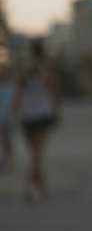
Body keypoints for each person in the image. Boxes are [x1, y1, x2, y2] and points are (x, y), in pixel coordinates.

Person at [14, 39, 60, 203]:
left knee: (35, 156)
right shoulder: (46, 73)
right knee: (36, 156)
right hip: (41, 114)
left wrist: (14, 112)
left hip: (27, 115)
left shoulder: (24, 72)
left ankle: (40, 190)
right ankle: (32, 189)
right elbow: (54, 95)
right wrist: (56, 114)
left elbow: (17, 95)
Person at [0, 62, 16, 173]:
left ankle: (8, 162)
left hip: (8, 118)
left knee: (8, 142)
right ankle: (4, 162)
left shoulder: (12, 88)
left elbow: (14, 103)